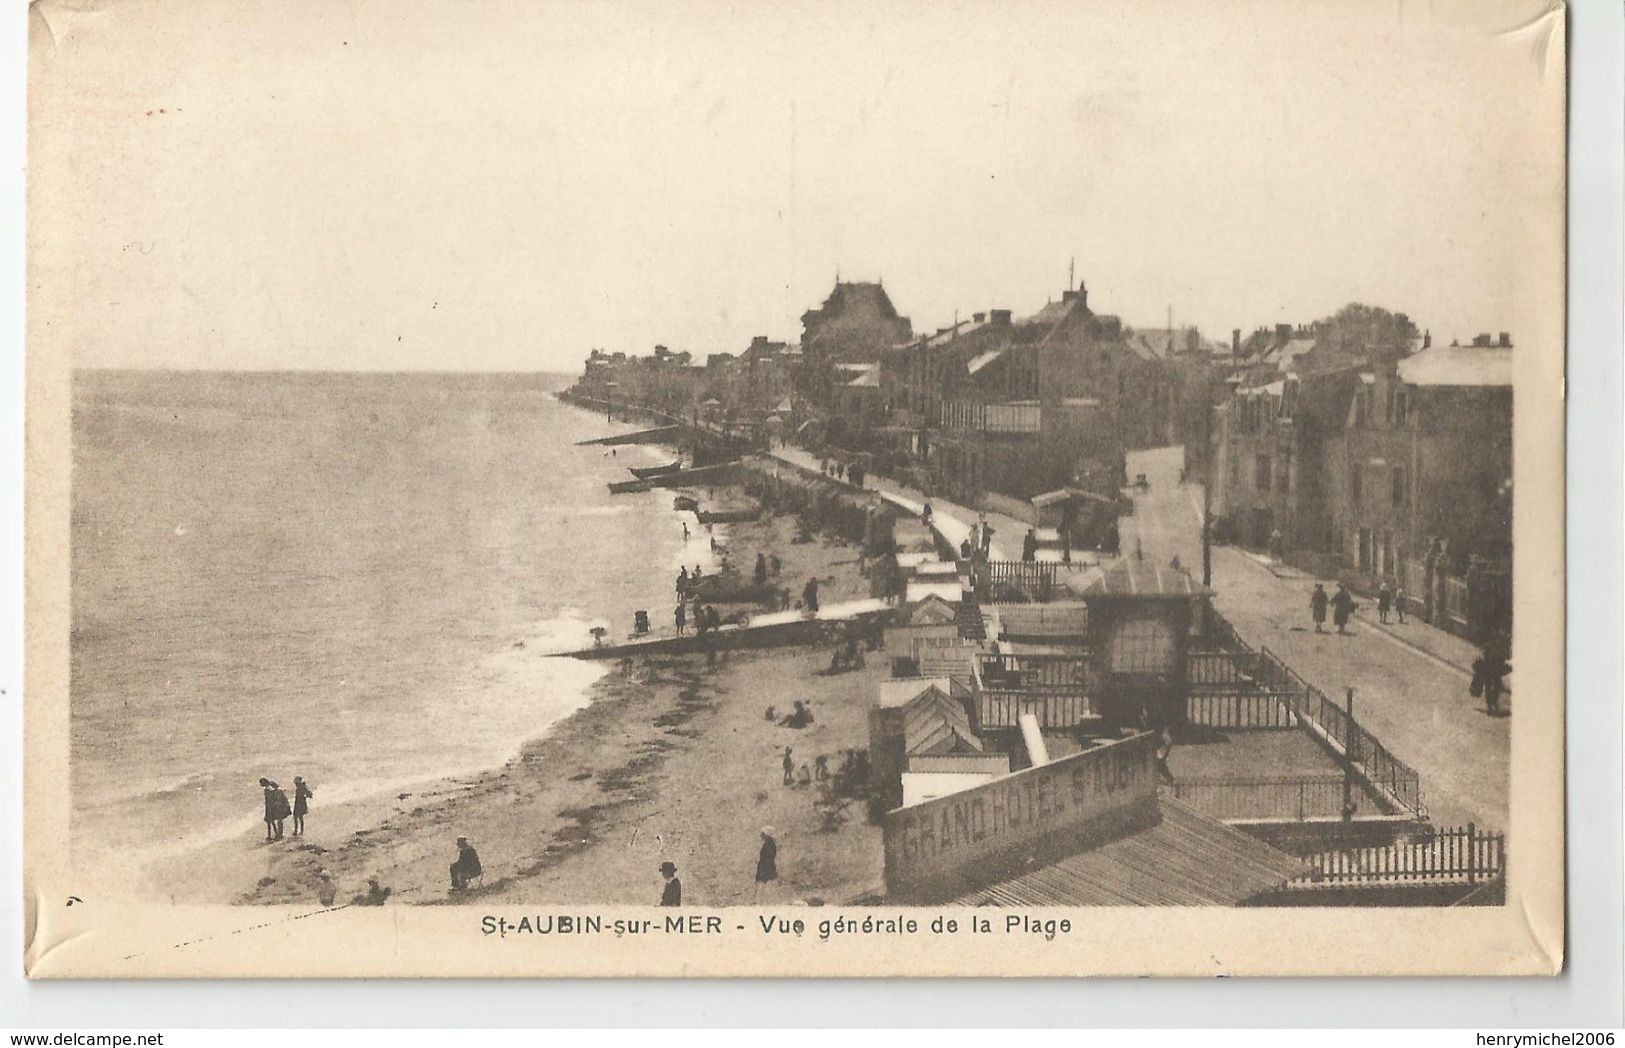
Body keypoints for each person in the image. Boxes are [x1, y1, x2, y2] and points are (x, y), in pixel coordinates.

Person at [754, 827, 778, 898]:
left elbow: (767, 857)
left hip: (765, 867)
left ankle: (760, 898)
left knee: (763, 883)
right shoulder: (770, 843)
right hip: (768, 866)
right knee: (767, 883)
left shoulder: (768, 844)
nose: (761, 836)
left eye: (763, 834)